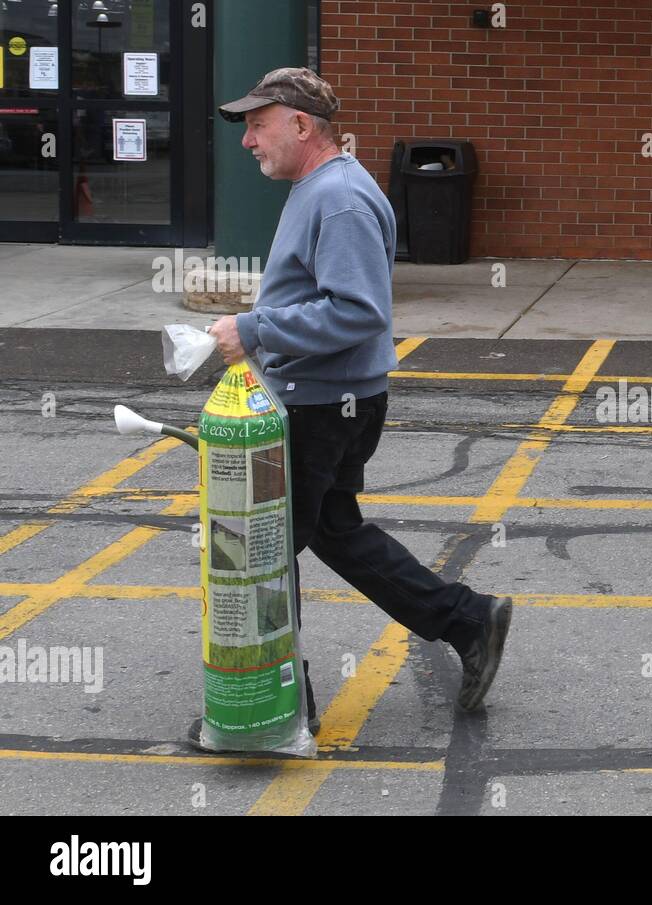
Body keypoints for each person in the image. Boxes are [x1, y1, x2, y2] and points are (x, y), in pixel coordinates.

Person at [206, 68, 511, 728]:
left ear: (301, 125)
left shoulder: (338, 197)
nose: (248, 141)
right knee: (336, 531)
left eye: (258, 125)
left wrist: (255, 328)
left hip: (323, 404)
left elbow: (357, 310)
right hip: (331, 396)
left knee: (260, 548)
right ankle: (469, 618)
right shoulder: (321, 187)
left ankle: (277, 707)